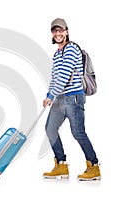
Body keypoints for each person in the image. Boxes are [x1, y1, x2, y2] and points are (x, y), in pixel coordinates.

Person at [42, 18, 101, 181]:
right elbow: (54, 78)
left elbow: (65, 76)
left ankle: (94, 166)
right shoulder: (56, 54)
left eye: (61, 30)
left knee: (78, 133)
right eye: (55, 31)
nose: (58, 33)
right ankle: (61, 165)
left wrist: (52, 94)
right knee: (50, 129)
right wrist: (49, 96)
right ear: (52, 34)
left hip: (74, 98)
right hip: (59, 99)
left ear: (66, 31)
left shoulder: (72, 49)